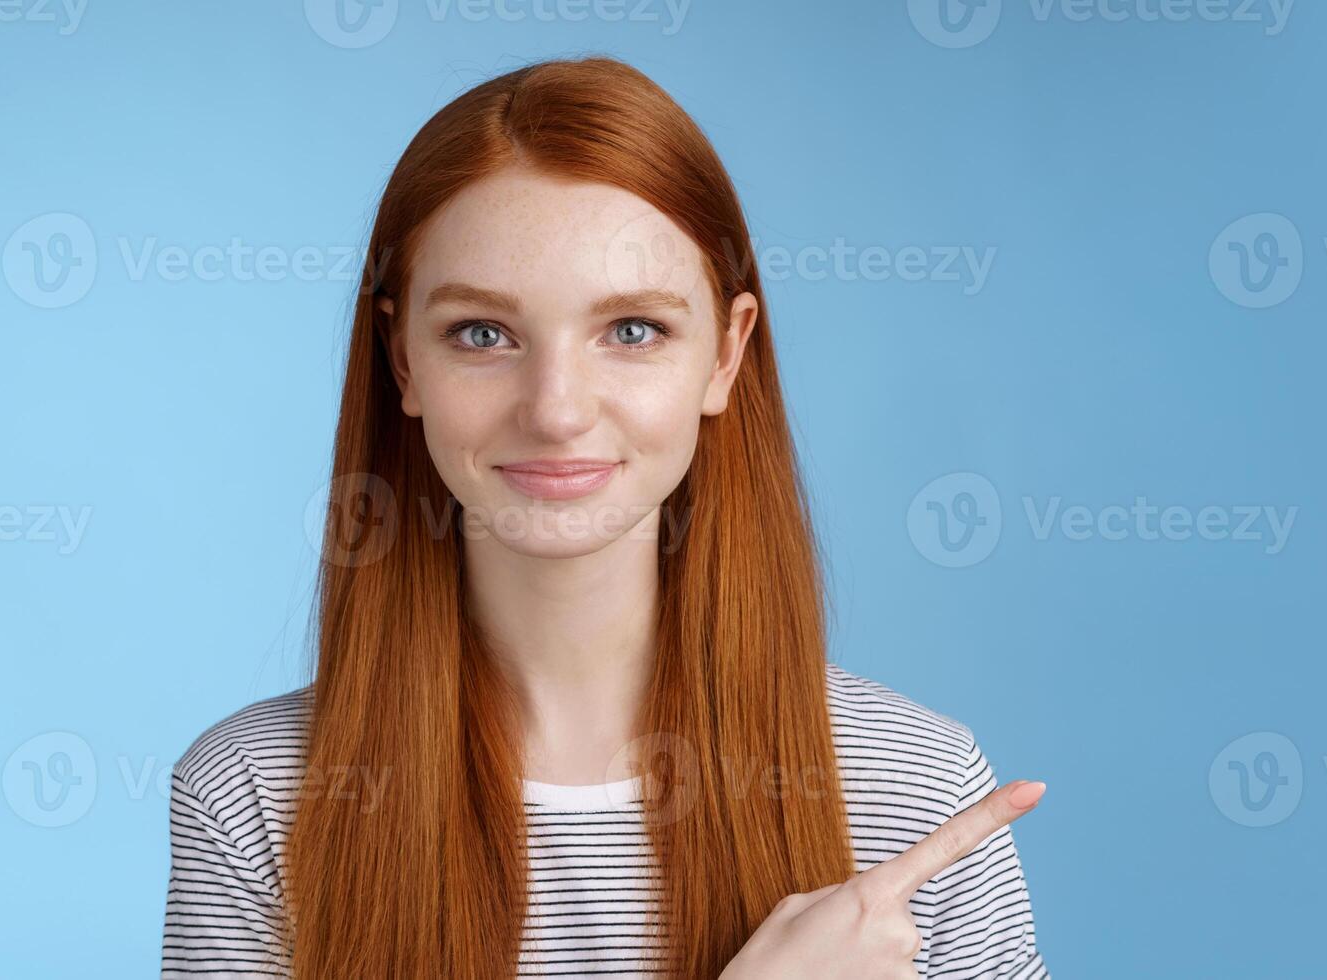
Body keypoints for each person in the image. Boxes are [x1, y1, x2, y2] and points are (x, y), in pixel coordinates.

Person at [163, 57, 1049, 979]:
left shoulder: (913, 789)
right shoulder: (256, 797)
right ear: (402, 362)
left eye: (632, 331)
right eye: (482, 333)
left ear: (726, 353)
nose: (556, 409)